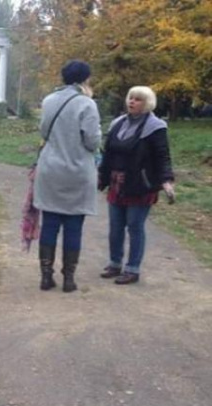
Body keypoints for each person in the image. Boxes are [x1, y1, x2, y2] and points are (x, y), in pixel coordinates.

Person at [34, 60, 102, 293]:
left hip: (50, 169)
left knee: (50, 224)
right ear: (84, 79)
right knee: (74, 226)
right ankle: (69, 279)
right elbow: (92, 141)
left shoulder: (49, 101)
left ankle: (46, 276)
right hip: (77, 172)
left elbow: (44, 131)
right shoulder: (87, 104)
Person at [98, 86, 176, 285]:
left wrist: (166, 180)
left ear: (147, 103)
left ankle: (132, 269)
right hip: (117, 182)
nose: (132, 102)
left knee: (134, 226)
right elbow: (108, 154)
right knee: (115, 227)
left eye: (138, 99)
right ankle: (115, 263)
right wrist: (102, 177)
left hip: (140, 184)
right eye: (131, 98)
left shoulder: (155, 127)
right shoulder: (117, 124)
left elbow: (162, 156)